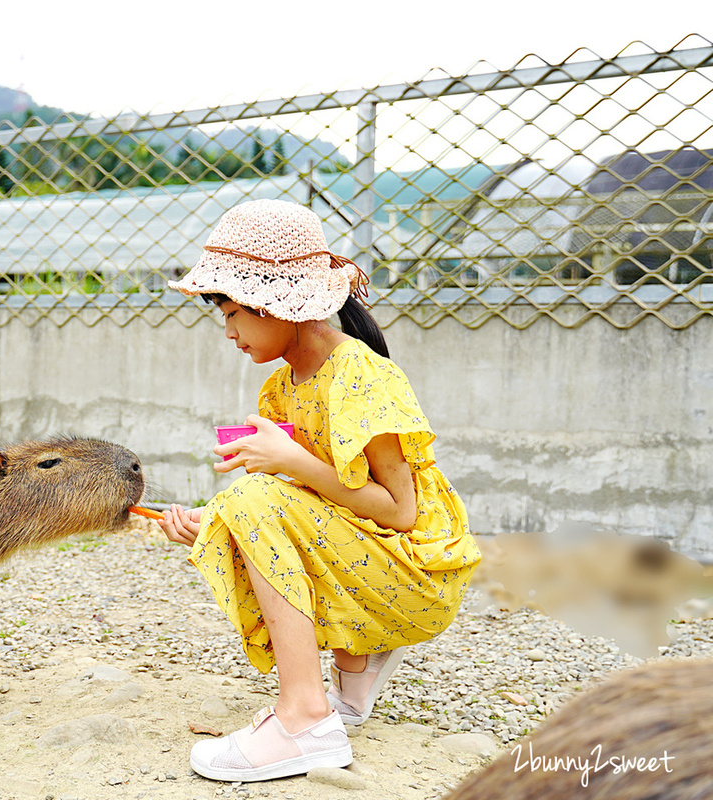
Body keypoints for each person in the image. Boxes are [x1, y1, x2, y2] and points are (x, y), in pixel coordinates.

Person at [158, 198, 480, 783]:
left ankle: (306, 719)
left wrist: (288, 462)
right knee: (244, 505)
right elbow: (296, 513)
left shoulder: (359, 373)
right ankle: (354, 674)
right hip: (369, 555)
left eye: (234, 313)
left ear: (282, 305)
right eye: (222, 316)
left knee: (250, 500)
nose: (228, 332)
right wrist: (208, 520)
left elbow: (402, 512)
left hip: (417, 571)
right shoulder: (281, 386)